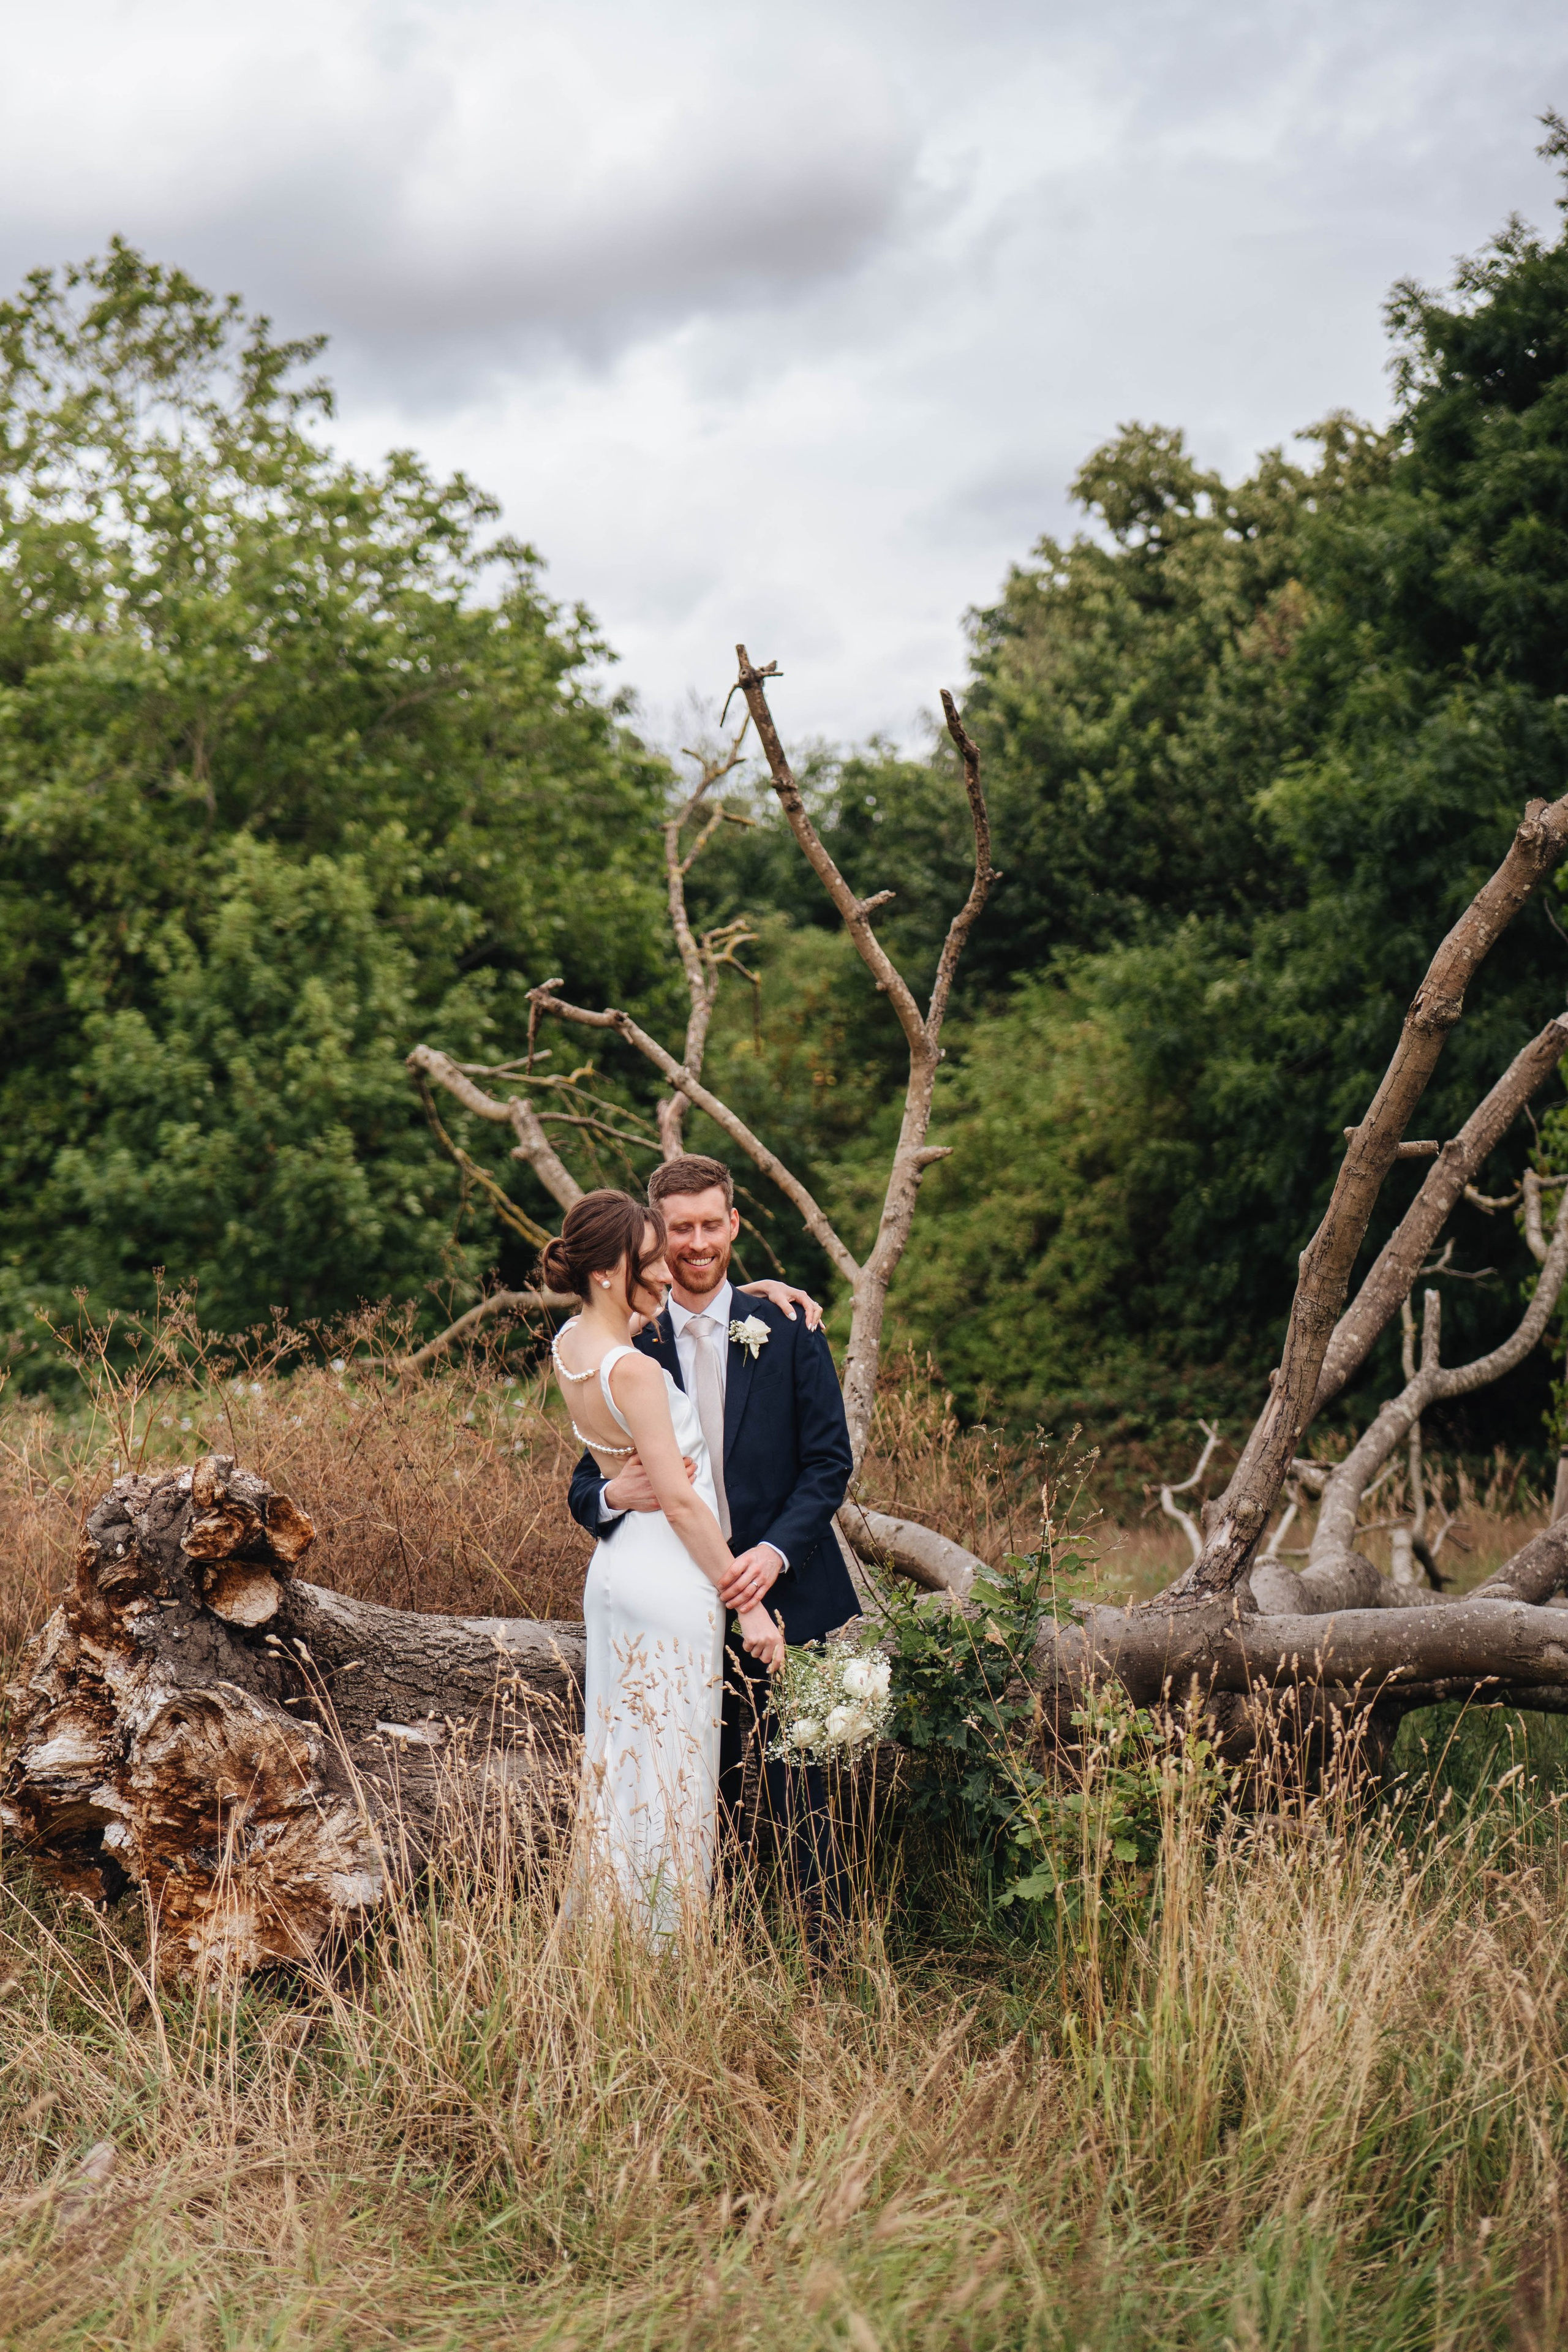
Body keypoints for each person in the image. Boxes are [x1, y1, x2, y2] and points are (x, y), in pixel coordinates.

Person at [568, 1153, 858, 1924]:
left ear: (734, 1225)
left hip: (789, 1594)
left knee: (805, 1791)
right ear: (655, 1236)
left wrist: (772, 1553)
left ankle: (820, 1955)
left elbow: (830, 1464)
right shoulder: (633, 1336)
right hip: (678, 1600)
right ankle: (713, 1947)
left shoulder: (789, 1327)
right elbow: (585, 1475)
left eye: (711, 1225)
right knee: (700, 1787)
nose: (697, 1244)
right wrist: (608, 1494)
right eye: (680, 1229)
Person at [545, 1190, 786, 1934]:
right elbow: (683, 1503)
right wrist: (747, 1606)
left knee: (623, 1763)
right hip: (671, 1577)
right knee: (674, 1770)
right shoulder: (637, 1372)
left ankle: (610, 1930)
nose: (665, 1270)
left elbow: (620, 1460)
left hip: (618, 1574)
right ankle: (660, 1948)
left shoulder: (570, 1346)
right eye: (650, 1259)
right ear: (613, 1272)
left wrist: (764, 1297)